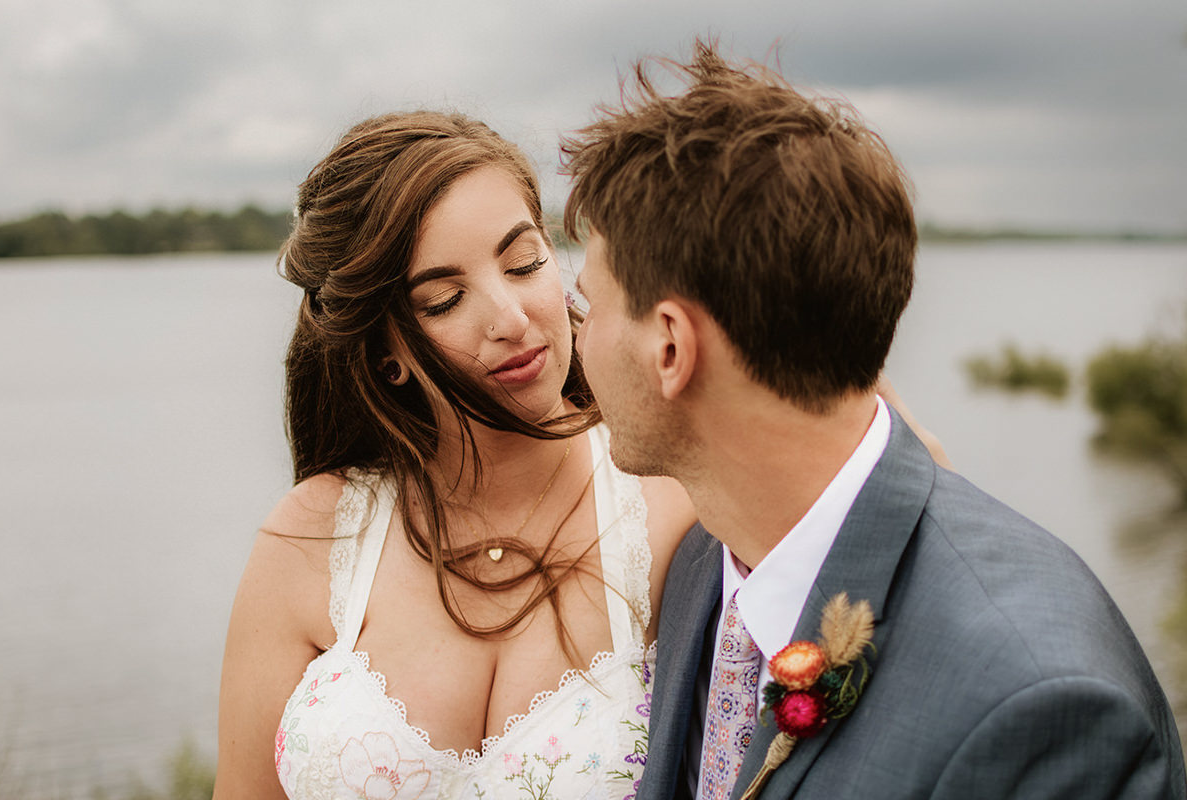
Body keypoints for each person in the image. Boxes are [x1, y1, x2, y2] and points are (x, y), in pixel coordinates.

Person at [562, 41, 1186, 800]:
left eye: (589, 307)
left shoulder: (1038, 704)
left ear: (670, 346)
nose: (576, 339)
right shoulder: (704, 563)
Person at [214, 111, 698, 799]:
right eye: (444, 300)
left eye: (524, 263)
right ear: (387, 355)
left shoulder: (671, 506)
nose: (511, 318)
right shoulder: (310, 537)